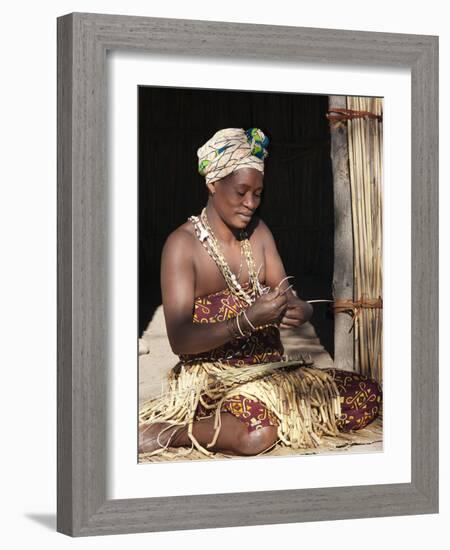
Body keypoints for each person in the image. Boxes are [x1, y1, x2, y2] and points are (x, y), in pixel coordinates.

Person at [139, 127, 382, 458]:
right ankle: (175, 431)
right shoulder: (182, 246)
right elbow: (180, 339)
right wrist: (246, 321)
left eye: (258, 193)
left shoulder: (259, 233)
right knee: (257, 433)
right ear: (212, 183)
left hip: (271, 375)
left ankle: (257, 419)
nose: (251, 203)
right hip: (215, 381)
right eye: (241, 192)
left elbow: (287, 292)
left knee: (365, 394)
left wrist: (300, 309)